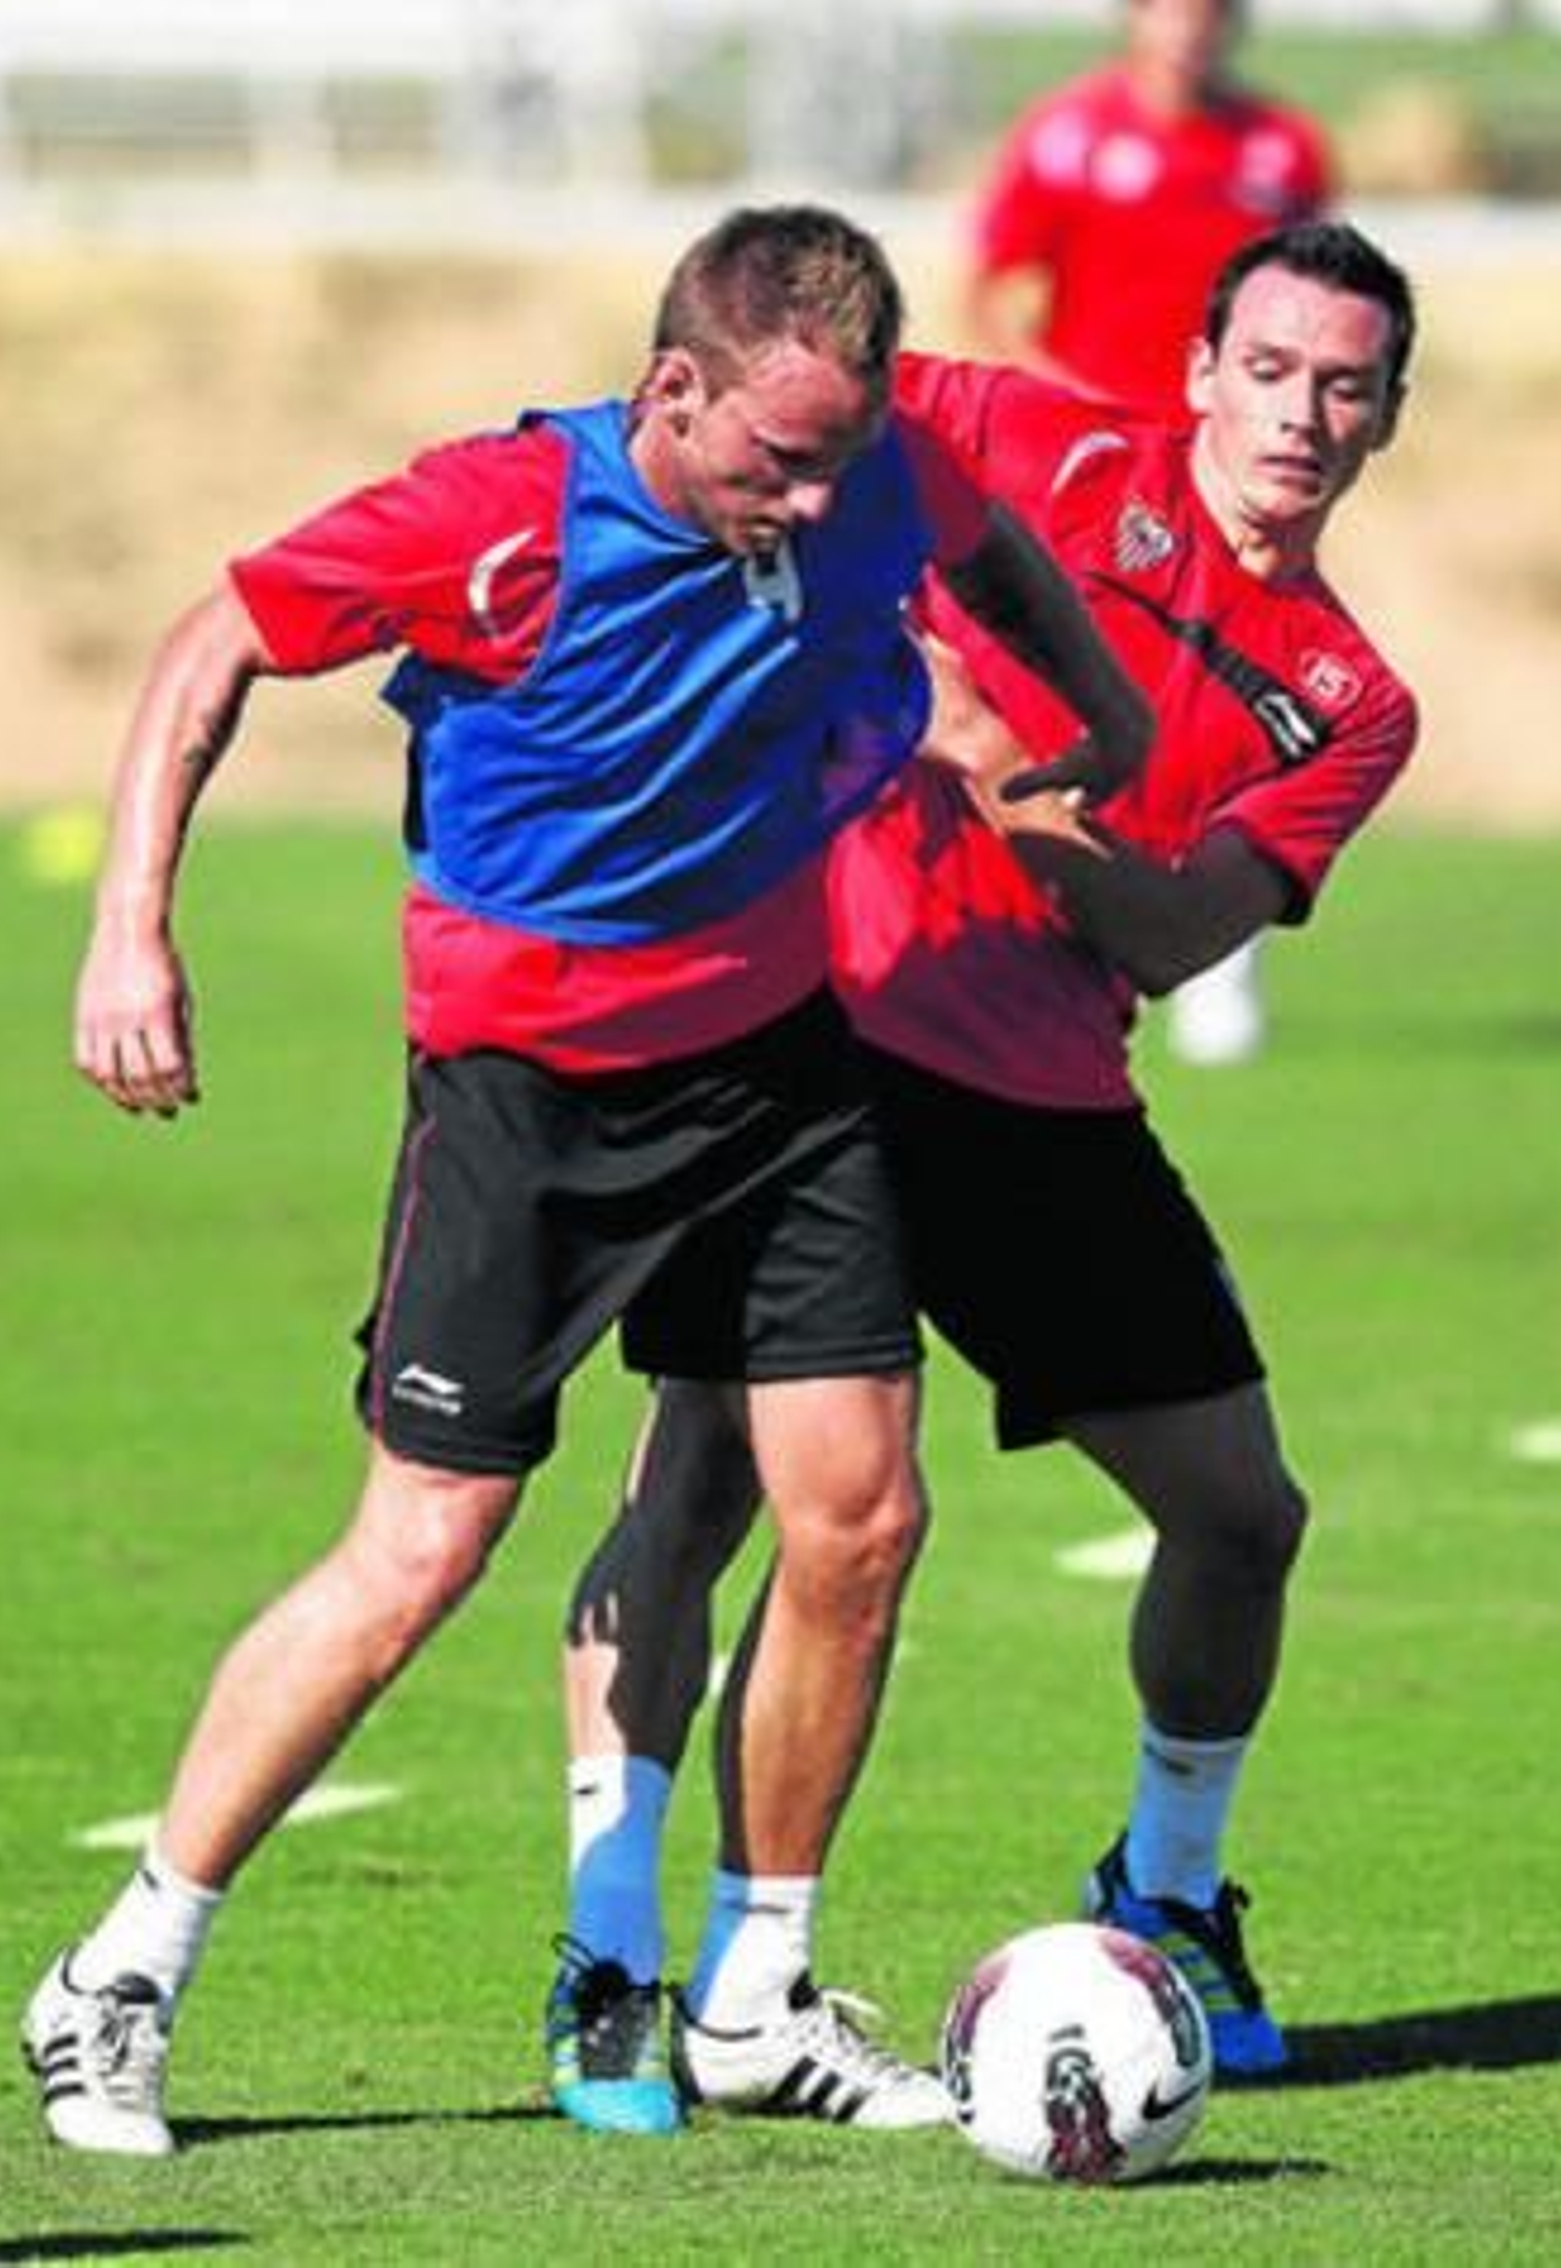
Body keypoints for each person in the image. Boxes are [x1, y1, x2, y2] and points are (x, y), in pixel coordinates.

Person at [22, 204, 1151, 2158]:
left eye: (835, 460)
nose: (806, 502)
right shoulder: (500, 516)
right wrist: (131, 932)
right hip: (522, 1097)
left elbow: (983, 543)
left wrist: (1104, 716)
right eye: (769, 459)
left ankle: (748, 1994)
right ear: (670, 389)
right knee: (419, 1554)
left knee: (860, 1517)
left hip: (776, 1074)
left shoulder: (871, 470)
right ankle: (119, 1972)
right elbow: (214, 643)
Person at [556, 221, 1419, 2117]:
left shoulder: (1350, 699)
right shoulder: (1027, 440)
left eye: (1344, 384)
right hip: (816, 1032)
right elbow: (773, 419)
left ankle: (1172, 1896)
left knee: (1240, 1509)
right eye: (1269, 368)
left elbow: (1183, 937)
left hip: (1043, 1098)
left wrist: (989, 758)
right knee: (700, 1480)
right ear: (1200, 371)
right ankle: (623, 1957)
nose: (1300, 412)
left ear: (1384, 420)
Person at [965, 0, 1335, 1066]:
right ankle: (1059, 922)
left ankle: (1223, 956)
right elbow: (996, 295)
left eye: (1212, 11)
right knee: (1078, 696)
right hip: (1098, 483)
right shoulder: (1067, 136)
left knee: (1231, 707)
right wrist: (1074, 411)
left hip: (1231, 483)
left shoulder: (1278, 147)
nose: (1192, 29)